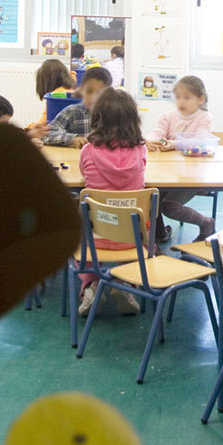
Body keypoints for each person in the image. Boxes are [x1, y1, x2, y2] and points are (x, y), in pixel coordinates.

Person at [77, 87, 147, 318]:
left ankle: (90, 285)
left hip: (95, 240)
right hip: (132, 240)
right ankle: (126, 284)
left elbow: (83, 177)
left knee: (81, 222)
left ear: (97, 118)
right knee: (148, 229)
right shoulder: (140, 151)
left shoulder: (88, 151)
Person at [149, 74, 215, 243]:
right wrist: (152, 141)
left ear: (200, 99)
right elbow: (157, 132)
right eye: (178, 97)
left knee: (168, 206)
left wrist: (172, 144)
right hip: (167, 173)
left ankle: (206, 223)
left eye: (187, 97)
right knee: (150, 196)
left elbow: (198, 141)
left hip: (193, 176)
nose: (181, 102)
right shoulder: (168, 117)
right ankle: (159, 234)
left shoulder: (204, 118)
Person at [44, 66, 112, 147]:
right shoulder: (72, 111)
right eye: (89, 91)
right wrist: (72, 139)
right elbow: (46, 134)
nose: (93, 97)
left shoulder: (114, 114)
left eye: (99, 93)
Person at [28, 59, 76, 139]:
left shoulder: (56, 96)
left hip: (59, 136)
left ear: (46, 81)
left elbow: (46, 122)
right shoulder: (71, 88)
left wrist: (29, 127)